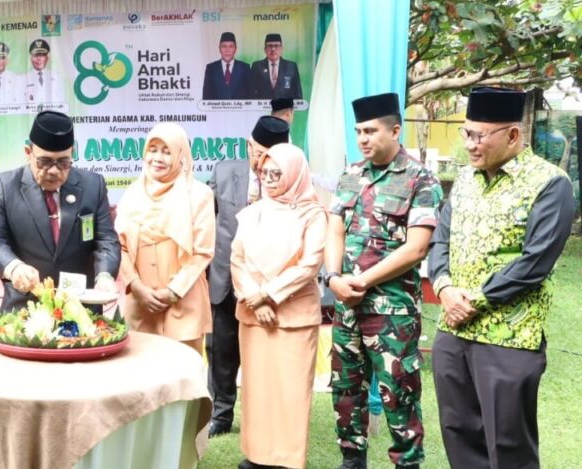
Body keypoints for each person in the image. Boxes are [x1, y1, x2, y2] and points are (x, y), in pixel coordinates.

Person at [428, 87, 576, 469]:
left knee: (509, 448)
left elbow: (535, 261)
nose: (469, 144)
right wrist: (444, 288)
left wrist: (472, 301)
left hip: (509, 338)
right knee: (459, 435)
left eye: (479, 136)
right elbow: (441, 239)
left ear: (512, 135)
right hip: (453, 332)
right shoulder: (464, 179)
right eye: (466, 133)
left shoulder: (550, 183)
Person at [325, 93, 441, 469]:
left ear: (395, 130)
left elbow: (416, 248)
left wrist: (360, 282)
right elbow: (334, 230)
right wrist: (333, 278)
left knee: (399, 392)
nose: (363, 138)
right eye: (359, 131)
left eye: (371, 131)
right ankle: (352, 459)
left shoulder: (420, 178)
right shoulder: (350, 174)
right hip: (346, 305)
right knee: (345, 389)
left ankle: (407, 462)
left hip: (392, 312)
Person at [231, 143, 327, 469]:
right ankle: (257, 456)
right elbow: (237, 260)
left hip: (294, 317)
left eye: (277, 173)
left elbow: (309, 264)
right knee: (257, 389)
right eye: (264, 172)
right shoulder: (252, 212)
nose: (269, 179)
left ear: (295, 174)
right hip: (254, 316)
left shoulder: (313, 214)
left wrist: (267, 294)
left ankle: (287, 460)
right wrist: (254, 299)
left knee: (291, 392)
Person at [0, 111, 120, 311]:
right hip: (25, 307)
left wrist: (105, 276)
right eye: (45, 162)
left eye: (63, 162)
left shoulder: (93, 185)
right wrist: (14, 267)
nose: (54, 171)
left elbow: (106, 239)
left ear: (72, 153)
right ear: (28, 153)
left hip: (81, 306)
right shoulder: (6, 186)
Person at [206, 115, 289, 439]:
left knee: (264, 355)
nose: (262, 161)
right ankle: (220, 414)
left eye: (270, 155)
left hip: (267, 286)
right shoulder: (224, 172)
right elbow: (208, 220)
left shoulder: (291, 180)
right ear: (248, 145)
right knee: (221, 350)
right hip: (225, 278)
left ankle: (262, 417)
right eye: (257, 152)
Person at [116, 122, 215, 355]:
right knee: (142, 373)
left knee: (183, 372)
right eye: (153, 150)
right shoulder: (133, 193)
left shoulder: (199, 195)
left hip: (184, 303)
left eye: (167, 151)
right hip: (141, 304)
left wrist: (172, 292)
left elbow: (202, 252)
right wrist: (136, 287)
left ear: (181, 156)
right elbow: (119, 246)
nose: (157, 158)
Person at [246, 116, 290, 204]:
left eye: (272, 159)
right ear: (249, 146)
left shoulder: (292, 184)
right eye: (260, 155)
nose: (264, 165)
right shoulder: (223, 176)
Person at [249, 34, 303, 100]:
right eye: (270, 46)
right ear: (265, 49)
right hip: (262, 106)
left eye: (276, 46)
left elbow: (298, 93)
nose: (273, 49)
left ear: (281, 49)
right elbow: (251, 92)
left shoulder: (291, 67)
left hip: (285, 106)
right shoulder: (257, 66)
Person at [202, 32, 251, 100]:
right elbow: (206, 97)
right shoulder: (211, 68)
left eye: (231, 46)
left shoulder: (244, 68)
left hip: (239, 107)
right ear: (219, 49)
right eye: (224, 46)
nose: (227, 50)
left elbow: (250, 96)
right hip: (217, 107)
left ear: (235, 49)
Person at [24, 39, 66, 106]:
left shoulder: (56, 76)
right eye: (35, 55)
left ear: (47, 58)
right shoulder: (23, 78)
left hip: (52, 112)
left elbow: (62, 101)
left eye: (42, 55)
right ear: (31, 59)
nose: (39, 59)